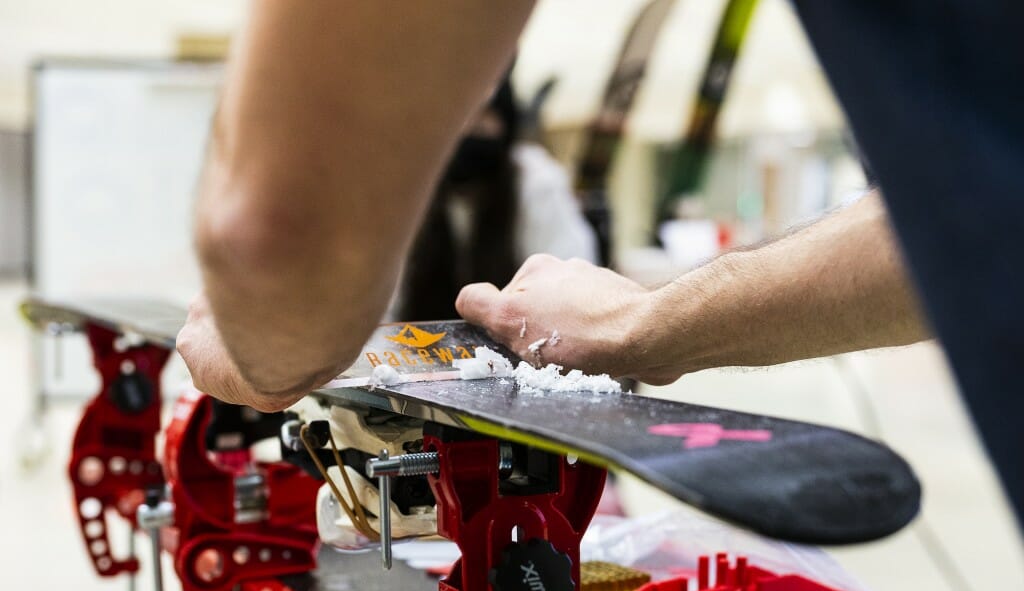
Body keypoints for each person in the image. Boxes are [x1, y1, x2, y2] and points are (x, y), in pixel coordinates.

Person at [177, 1, 1023, 530]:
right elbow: (967, 207)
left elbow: (275, 231)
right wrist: (645, 327)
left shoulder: (531, 184)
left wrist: (263, 346)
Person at [393, 75, 598, 322]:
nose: (468, 127)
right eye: (455, 115)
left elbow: (570, 283)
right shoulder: (406, 188)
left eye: (483, 116)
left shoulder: (535, 182)